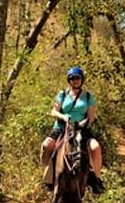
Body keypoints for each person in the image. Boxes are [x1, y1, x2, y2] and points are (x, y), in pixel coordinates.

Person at [40, 66, 105, 194]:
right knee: (46, 146)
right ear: (69, 80)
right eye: (72, 78)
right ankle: (47, 176)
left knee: (95, 147)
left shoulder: (88, 97)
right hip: (62, 127)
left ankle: (96, 179)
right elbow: (54, 111)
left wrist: (81, 124)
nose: (75, 80)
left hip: (81, 128)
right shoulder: (62, 94)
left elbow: (91, 117)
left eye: (77, 78)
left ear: (82, 79)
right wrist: (63, 117)